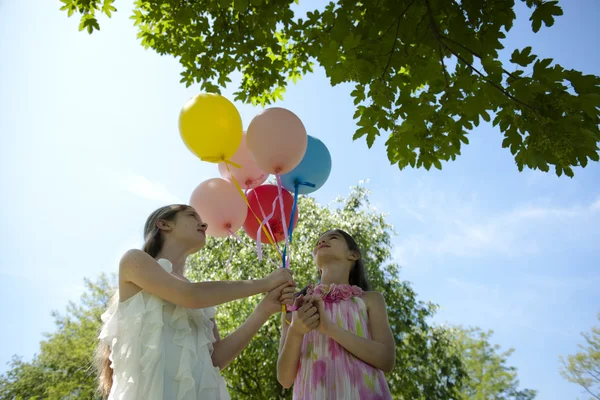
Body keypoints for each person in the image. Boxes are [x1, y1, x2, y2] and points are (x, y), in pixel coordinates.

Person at [96, 204, 295, 400]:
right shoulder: (134, 260)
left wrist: (264, 309)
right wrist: (265, 283)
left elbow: (216, 358)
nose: (205, 225)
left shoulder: (201, 298)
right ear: (164, 224)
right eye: (192, 216)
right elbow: (189, 296)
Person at [277, 229, 395, 399]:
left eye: (333, 237)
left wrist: (329, 328)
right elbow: (285, 379)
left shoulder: (371, 300)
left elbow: (386, 359)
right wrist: (296, 330)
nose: (321, 242)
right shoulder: (296, 306)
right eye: (318, 242)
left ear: (353, 254)